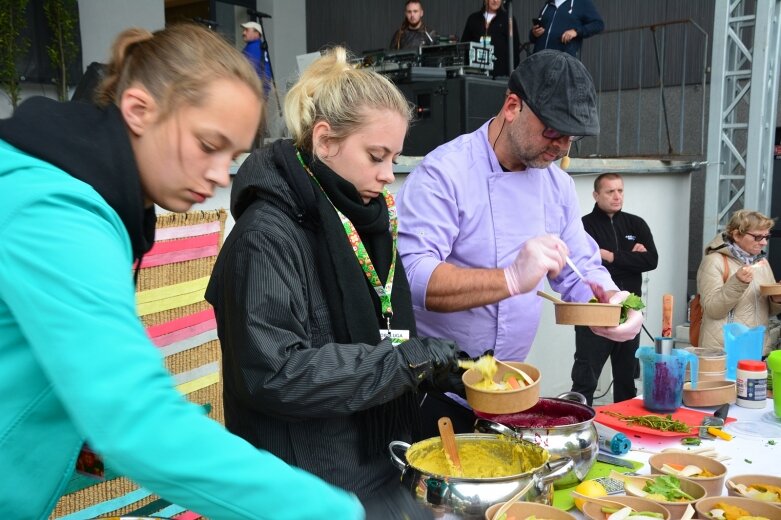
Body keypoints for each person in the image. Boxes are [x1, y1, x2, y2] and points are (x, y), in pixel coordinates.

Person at [0, 24, 362, 519]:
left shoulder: (101, 201)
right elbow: (136, 424)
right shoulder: (56, 212)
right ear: (139, 109)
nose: (219, 175)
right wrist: (337, 514)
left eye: (231, 157)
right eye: (208, 144)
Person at [205, 46, 462, 519]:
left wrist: (438, 369)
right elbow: (274, 373)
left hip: (379, 464)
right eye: (376, 156)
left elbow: (385, 330)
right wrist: (403, 363)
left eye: (394, 158)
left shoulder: (365, 221)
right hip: (305, 488)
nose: (388, 176)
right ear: (324, 141)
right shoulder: (266, 237)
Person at [396, 50, 643, 431]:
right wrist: (510, 278)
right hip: (435, 389)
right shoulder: (444, 173)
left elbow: (579, 266)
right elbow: (412, 278)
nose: (561, 147)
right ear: (512, 106)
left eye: (571, 137)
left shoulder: (556, 184)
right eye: (552, 132)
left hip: (510, 390)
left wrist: (610, 303)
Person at [571, 173, 658, 405]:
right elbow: (586, 266)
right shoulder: (583, 226)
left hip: (629, 311)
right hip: (594, 311)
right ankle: (579, 424)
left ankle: (625, 427)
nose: (617, 196)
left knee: (626, 377)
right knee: (585, 376)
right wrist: (631, 257)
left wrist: (610, 256)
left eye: (620, 191)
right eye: (610, 191)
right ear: (596, 195)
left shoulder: (635, 223)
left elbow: (651, 260)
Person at [696, 210, 781, 353]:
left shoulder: (762, 263)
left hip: (756, 347)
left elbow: (767, 312)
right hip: (724, 349)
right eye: (757, 237)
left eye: (767, 237)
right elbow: (713, 310)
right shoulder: (714, 261)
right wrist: (738, 282)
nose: (764, 243)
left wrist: (776, 300)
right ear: (736, 235)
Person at [461, 0, 521, 77]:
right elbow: (464, 47)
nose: (495, 0)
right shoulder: (473, 19)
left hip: (500, 76)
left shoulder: (508, 19)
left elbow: (515, 50)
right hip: (475, 76)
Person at [530, 0, 604, 58]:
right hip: (539, 59)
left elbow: (598, 24)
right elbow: (533, 37)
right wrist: (534, 33)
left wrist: (576, 31)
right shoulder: (548, 5)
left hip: (563, 61)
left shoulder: (582, 3)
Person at [241, 20, 273, 98]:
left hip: (255, 89)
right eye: (244, 30)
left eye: (247, 30)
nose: (243, 33)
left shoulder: (254, 48)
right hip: (259, 88)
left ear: (257, 33)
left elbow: (250, 70)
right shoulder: (255, 46)